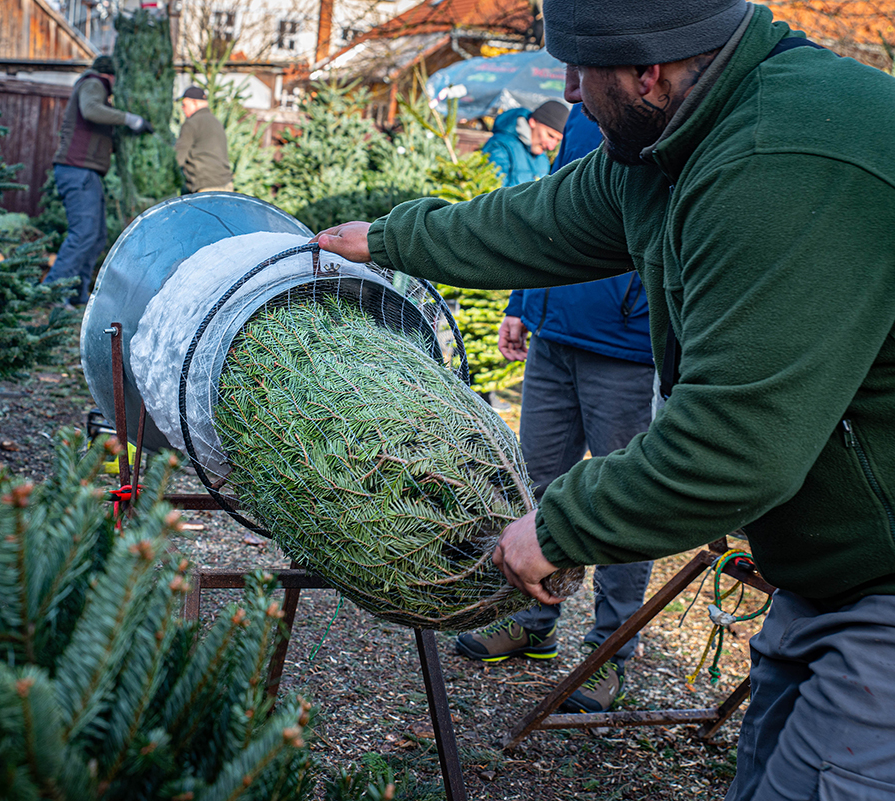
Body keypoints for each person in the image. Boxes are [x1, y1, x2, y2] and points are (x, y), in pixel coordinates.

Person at [313, 0, 895, 797]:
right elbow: (549, 219)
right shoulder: (674, 137)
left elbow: (733, 445)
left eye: (583, 71)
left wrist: (558, 527)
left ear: (647, 72)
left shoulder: (779, 161)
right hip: (833, 574)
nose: (573, 93)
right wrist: (387, 240)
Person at [455, 105, 656, 716]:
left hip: (626, 348)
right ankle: (530, 622)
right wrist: (523, 298)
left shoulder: (665, 100)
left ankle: (608, 656)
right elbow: (556, 209)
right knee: (533, 483)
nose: (570, 83)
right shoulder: (578, 112)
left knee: (622, 504)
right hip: (553, 336)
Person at [44, 55, 153, 307]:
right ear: (111, 76)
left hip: (85, 172)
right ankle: (52, 292)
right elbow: (90, 110)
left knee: (96, 236)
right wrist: (130, 119)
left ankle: (77, 294)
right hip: (77, 170)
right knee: (83, 234)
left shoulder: (98, 88)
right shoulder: (94, 83)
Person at [481, 99, 568, 185]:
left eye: (558, 140)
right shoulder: (499, 146)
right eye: (550, 136)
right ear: (533, 122)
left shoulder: (543, 160)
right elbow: (492, 193)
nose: (551, 147)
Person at [175, 86, 234, 193]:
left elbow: (178, 158)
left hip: (205, 188)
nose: (183, 109)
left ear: (194, 103)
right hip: (226, 185)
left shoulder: (191, 124)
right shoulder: (216, 121)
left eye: (184, 105)